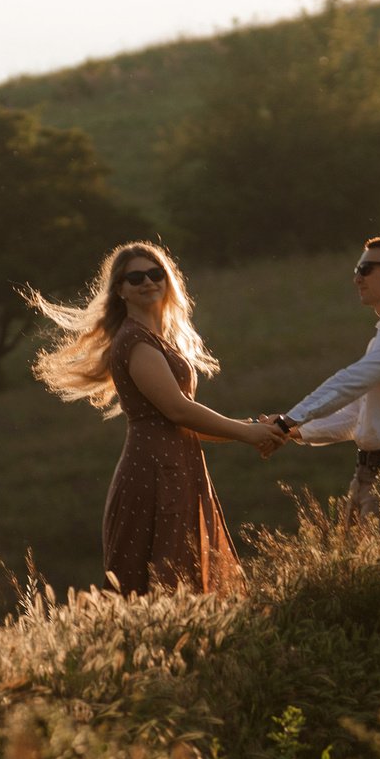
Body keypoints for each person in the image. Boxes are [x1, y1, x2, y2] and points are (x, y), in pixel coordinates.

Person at [28, 242, 280, 595]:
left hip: (177, 465)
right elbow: (177, 409)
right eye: (135, 277)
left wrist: (254, 431)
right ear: (120, 290)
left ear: (168, 279)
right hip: (155, 472)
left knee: (182, 579)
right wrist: (248, 433)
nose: (147, 282)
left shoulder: (157, 339)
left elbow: (184, 422)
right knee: (157, 581)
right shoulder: (136, 341)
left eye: (155, 273)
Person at [267, 236, 380, 525]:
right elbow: (355, 418)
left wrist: (288, 420)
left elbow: (351, 380)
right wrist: (292, 431)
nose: (357, 278)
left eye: (365, 269)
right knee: (352, 566)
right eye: (357, 270)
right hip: (369, 472)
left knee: (377, 567)